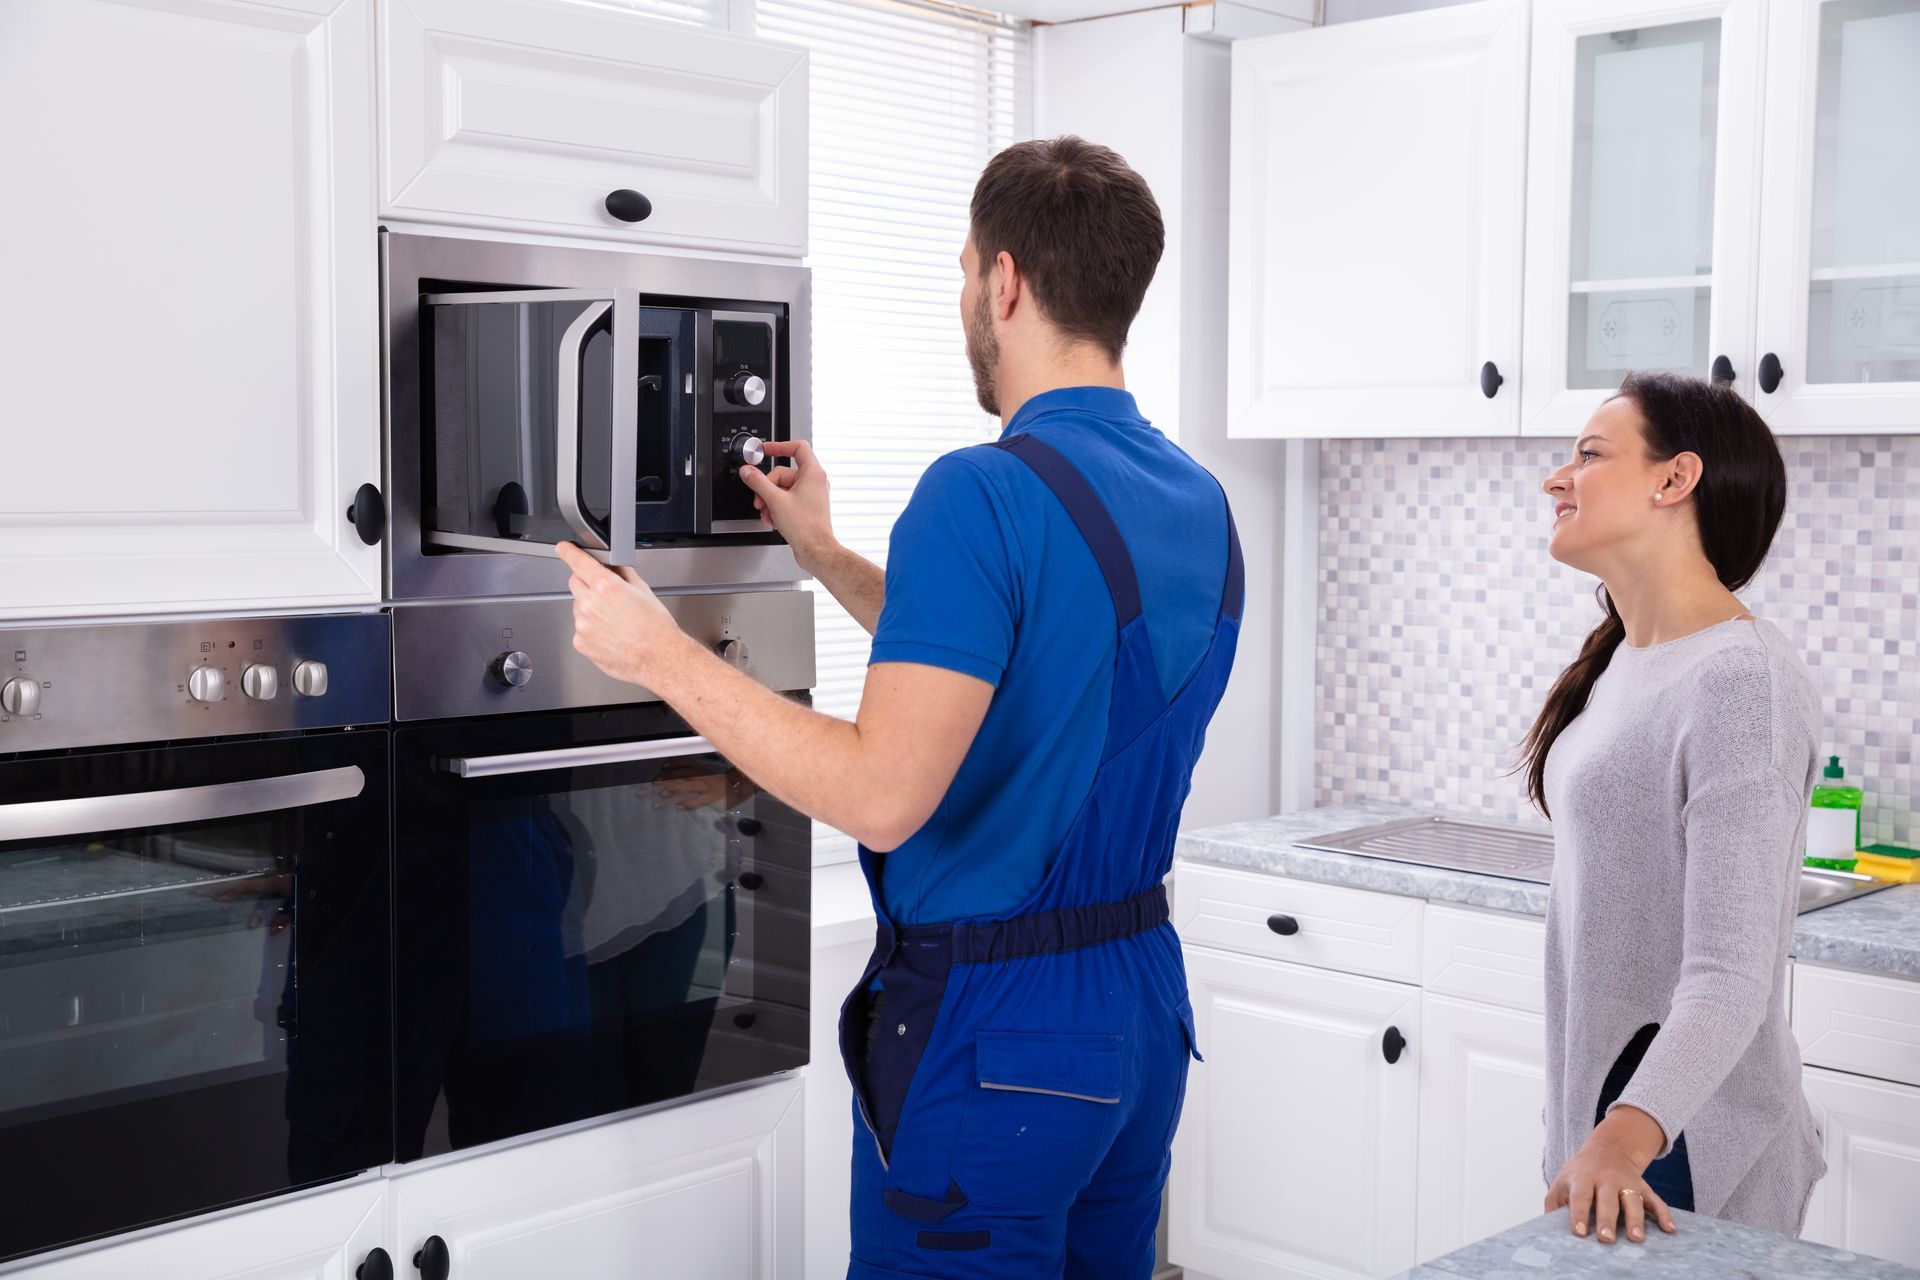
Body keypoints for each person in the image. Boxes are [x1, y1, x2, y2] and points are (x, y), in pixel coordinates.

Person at [556, 135, 1241, 1279]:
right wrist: (822, 553)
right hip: (1136, 1012)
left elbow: (882, 792)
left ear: (1005, 282)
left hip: (997, 1027)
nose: (964, 298)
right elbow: (1039, 669)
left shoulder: (980, 489)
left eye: (965, 272)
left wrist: (663, 654)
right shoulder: (1196, 498)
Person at [1522, 371, 1827, 1247]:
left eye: (1588, 454)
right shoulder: (1628, 661)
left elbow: (1731, 978)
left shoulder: (1740, 681)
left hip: (1684, 1134)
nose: (1557, 478)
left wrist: (1625, 1138)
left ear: (1673, 479)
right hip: (1616, 1117)